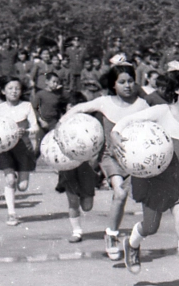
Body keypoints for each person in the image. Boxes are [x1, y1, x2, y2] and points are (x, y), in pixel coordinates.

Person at [112, 67, 179, 286]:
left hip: (178, 181)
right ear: (177, 89)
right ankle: (132, 244)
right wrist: (115, 134)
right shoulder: (161, 112)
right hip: (151, 179)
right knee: (151, 226)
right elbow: (124, 123)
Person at [61, 64, 150, 260]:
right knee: (120, 192)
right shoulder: (105, 102)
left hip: (133, 157)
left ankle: (113, 229)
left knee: (132, 197)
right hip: (109, 156)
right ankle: (111, 236)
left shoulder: (142, 105)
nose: (127, 86)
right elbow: (80, 107)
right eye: (122, 82)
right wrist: (63, 122)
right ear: (113, 84)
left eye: (130, 81)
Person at [0, 76, 41, 227]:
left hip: (24, 148)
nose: (14, 91)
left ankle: (22, 179)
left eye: (17, 88)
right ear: (3, 91)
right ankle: (12, 214)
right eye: (10, 88)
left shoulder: (26, 106)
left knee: (22, 186)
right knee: (10, 180)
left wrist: (25, 131)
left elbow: (35, 127)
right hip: (5, 149)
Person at [55, 91, 100, 243]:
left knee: (87, 206)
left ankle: (84, 198)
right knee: (72, 200)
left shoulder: (89, 124)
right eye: (71, 106)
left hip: (86, 166)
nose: (74, 109)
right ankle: (77, 231)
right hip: (67, 167)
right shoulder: (60, 125)